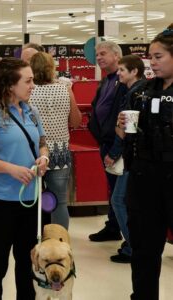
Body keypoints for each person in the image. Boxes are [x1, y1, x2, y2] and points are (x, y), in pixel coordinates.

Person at [0, 57, 48, 299]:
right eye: (28, 81)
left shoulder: (32, 111)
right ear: (10, 86)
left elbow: (42, 143)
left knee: (28, 264)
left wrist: (43, 158)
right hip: (0, 202)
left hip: (31, 200)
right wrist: (10, 168)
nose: (33, 85)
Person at [117, 24, 173, 299]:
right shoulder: (142, 91)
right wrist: (122, 129)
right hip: (144, 179)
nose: (152, 61)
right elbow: (128, 134)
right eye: (151, 56)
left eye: (159, 56)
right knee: (144, 250)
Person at [29, 52, 82, 229]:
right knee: (60, 201)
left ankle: (34, 238)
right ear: (52, 67)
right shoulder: (65, 88)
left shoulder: (28, 92)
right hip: (60, 151)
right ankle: (60, 241)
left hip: (34, 151)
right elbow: (75, 121)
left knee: (30, 199)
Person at [107, 55, 147, 264]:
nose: (119, 73)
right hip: (140, 156)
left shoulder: (135, 93)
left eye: (123, 69)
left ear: (134, 71)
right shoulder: (138, 91)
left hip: (133, 156)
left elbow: (124, 130)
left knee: (118, 200)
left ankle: (134, 246)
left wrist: (113, 153)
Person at [87, 41, 128, 243]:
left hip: (116, 144)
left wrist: (114, 147)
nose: (99, 57)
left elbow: (119, 115)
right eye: (97, 55)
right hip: (105, 142)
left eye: (103, 54)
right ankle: (113, 226)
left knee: (120, 194)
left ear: (116, 56)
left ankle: (122, 232)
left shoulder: (123, 83)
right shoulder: (105, 81)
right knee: (112, 189)